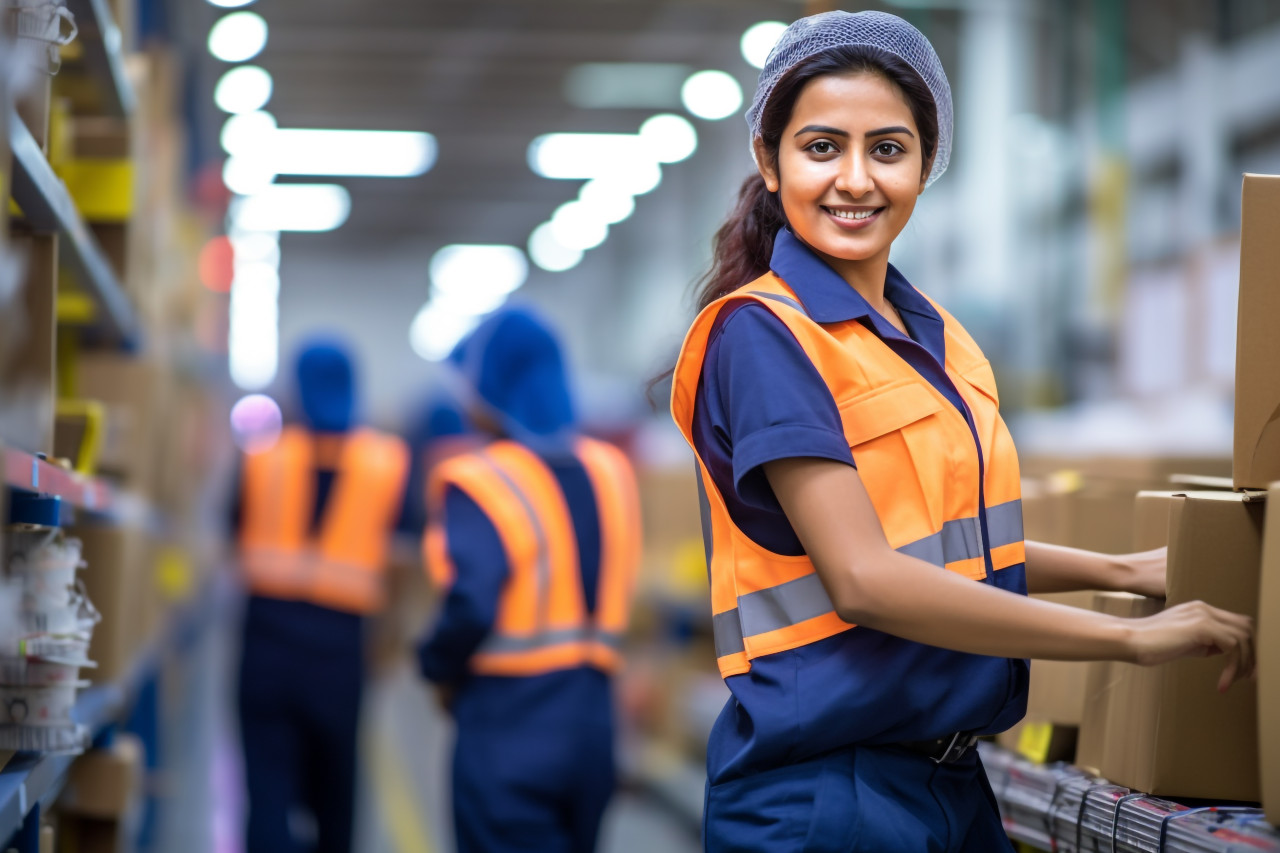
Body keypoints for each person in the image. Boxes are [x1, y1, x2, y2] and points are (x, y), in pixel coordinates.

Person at [668, 11, 1255, 852]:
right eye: (822, 147)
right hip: (825, 795)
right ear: (769, 160)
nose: (857, 180)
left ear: (926, 163)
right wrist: (1125, 635)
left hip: (949, 784)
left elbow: (951, 551)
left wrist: (1123, 569)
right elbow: (865, 577)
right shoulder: (764, 335)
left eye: (889, 149)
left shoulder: (934, 337)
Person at [416, 306, 642, 853]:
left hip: (507, 724)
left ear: (494, 382)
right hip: (592, 726)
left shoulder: (481, 479)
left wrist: (434, 665)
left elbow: (472, 603)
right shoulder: (610, 468)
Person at [236, 339, 409, 853]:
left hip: (266, 645)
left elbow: (231, 535)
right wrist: (390, 638)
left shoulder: (265, 458)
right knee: (336, 790)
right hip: (339, 652)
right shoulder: (385, 462)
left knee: (267, 788)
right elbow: (404, 559)